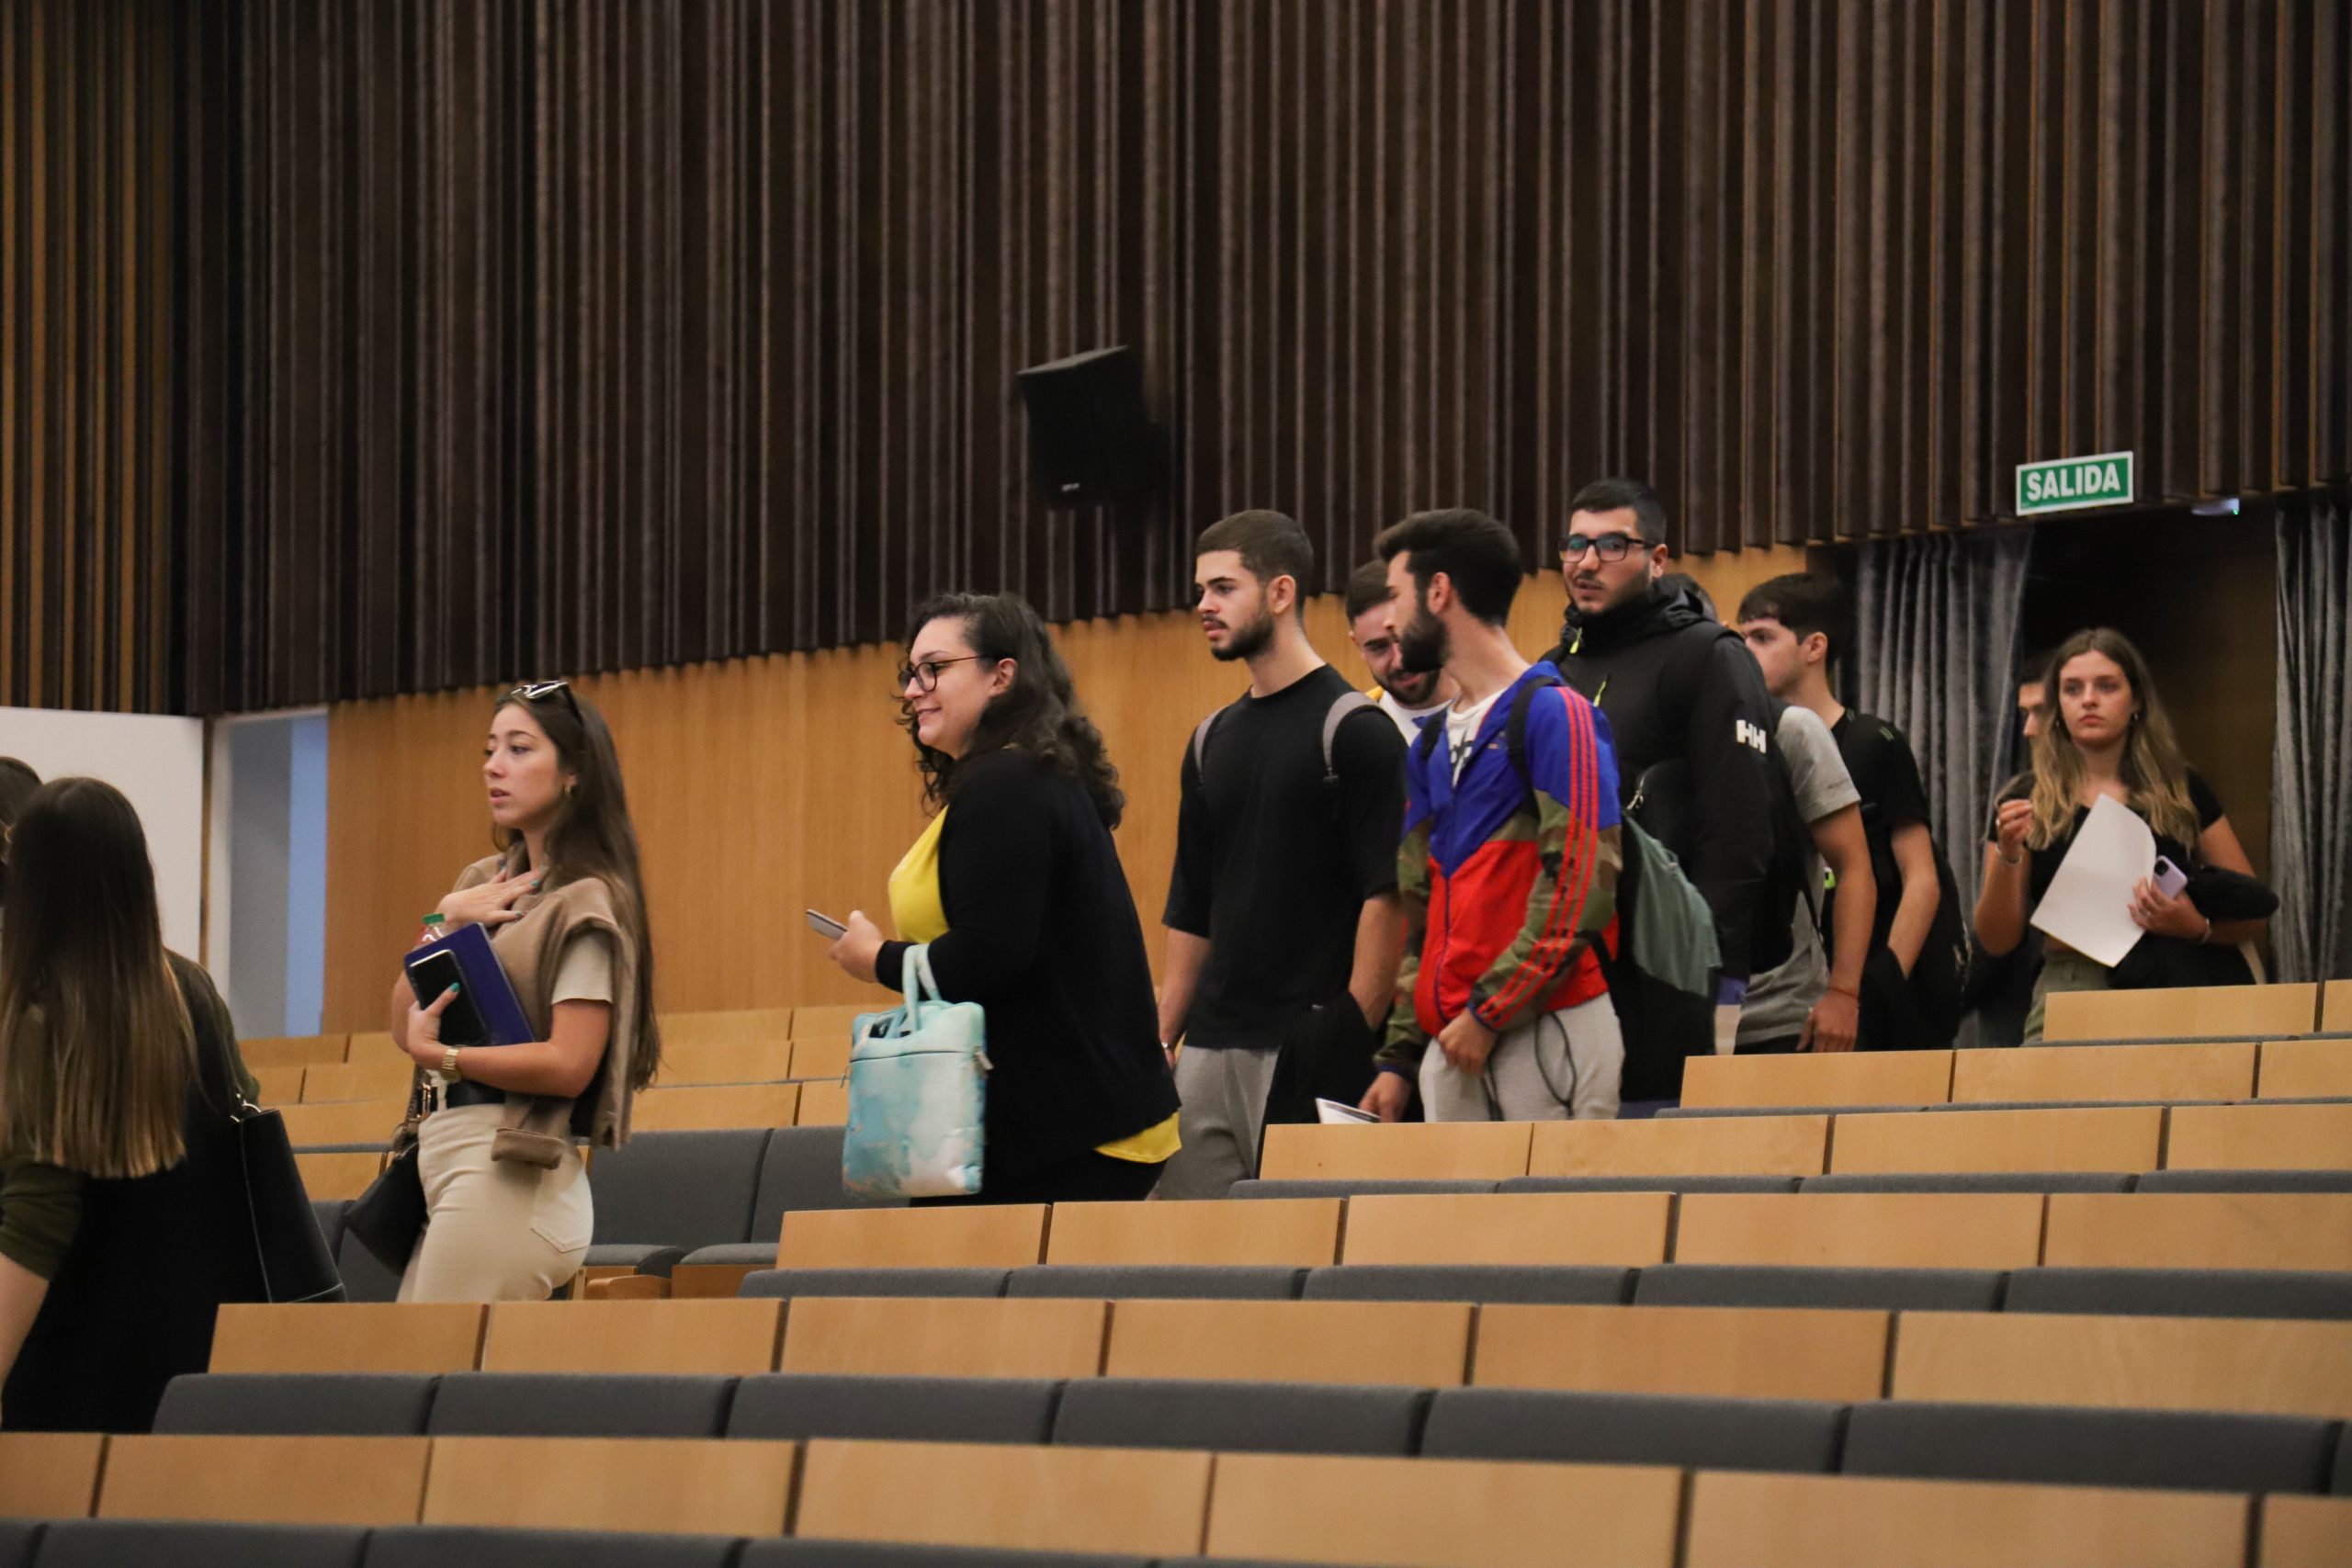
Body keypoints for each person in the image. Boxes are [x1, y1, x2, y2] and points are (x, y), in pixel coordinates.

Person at [826, 593, 1179, 1201]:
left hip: (1068, 1131)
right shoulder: (1021, 776)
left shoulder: (1008, 784)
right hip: (1068, 1120)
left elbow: (990, 955)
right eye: (911, 672)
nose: (912, 690)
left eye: (935, 668)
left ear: (1001, 675)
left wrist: (876, 958)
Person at [384, 680, 661, 1302]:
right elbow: (403, 1022)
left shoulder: (585, 901)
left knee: (425, 1354)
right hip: (447, 1157)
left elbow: (568, 1063)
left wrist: (448, 1058)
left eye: (518, 748)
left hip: (513, 1173)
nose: (493, 765)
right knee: (412, 1355)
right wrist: (444, 920)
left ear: (573, 772)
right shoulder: (480, 883)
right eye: (490, 749)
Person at [1157, 511, 1408, 1197]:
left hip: (1306, 1041)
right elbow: (1192, 905)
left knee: (1300, 1242)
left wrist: (1349, 1028)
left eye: (1223, 587)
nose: (1203, 605)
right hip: (1209, 1047)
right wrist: (1165, 1036)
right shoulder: (1209, 740)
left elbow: (1388, 895)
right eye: (1201, 590)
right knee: (1181, 1249)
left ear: (1280, 592)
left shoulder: (1357, 731)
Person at [1, 778, 264, 1431]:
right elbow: (243, 1130)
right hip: (191, 1356)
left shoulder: (40, 1016)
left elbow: (36, 1223)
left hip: (68, 1373)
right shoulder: (191, 989)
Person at [1359, 510, 1624, 1122]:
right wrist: (1400, 1057)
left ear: (1439, 591)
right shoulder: (1429, 745)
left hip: (1546, 1025)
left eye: (1396, 596)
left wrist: (1490, 1011)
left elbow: (1583, 884)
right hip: (1452, 1039)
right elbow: (1421, 914)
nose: (1389, 620)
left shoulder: (1557, 715)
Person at [1539, 479, 1781, 1097]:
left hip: (1677, 970)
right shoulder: (1552, 671)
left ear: (1658, 559)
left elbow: (1739, 830)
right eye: (1575, 544)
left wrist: (1714, 975)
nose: (1587, 562)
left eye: (1612, 545)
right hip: (1567, 969)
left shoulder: (1707, 654)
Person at [1974, 628, 2264, 1041]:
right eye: (2072, 689)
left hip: (2175, 976)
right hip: (2074, 981)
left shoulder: (2180, 789)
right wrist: (2008, 855)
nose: (2089, 700)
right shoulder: (2025, 799)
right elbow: (1996, 941)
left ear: (2137, 699)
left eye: (2107, 686)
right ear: (2058, 705)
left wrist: (2196, 926)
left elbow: (2253, 910)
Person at [1738, 573, 1968, 1049]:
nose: (1745, 651)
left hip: (1865, 988)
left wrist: (1878, 987)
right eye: (1740, 638)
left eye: (1762, 637)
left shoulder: (1873, 742)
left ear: (1814, 647)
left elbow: (1922, 878)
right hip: (1800, 987)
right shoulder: (1755, 743)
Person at [1344, 558, 1455, 742]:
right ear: (1358, 646)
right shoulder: (1351, 730)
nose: (1400, 661)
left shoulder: (1495, 715)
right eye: (1379, 647)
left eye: (1407, 638)